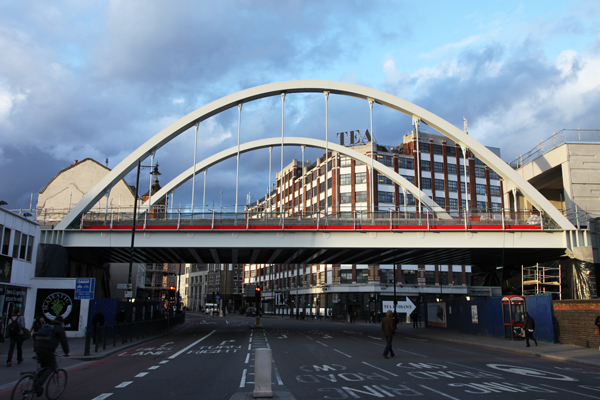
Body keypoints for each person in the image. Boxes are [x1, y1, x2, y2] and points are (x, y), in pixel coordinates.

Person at [33, 316, 70, 397]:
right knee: (51, 366)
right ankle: (38, 384)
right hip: (48, 350)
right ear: (61, 322)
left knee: (44, 366)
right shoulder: (59, 328)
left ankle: (35, 382)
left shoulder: (47, 326)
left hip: (37, 348)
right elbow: (64, 342)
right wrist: (66, 352)